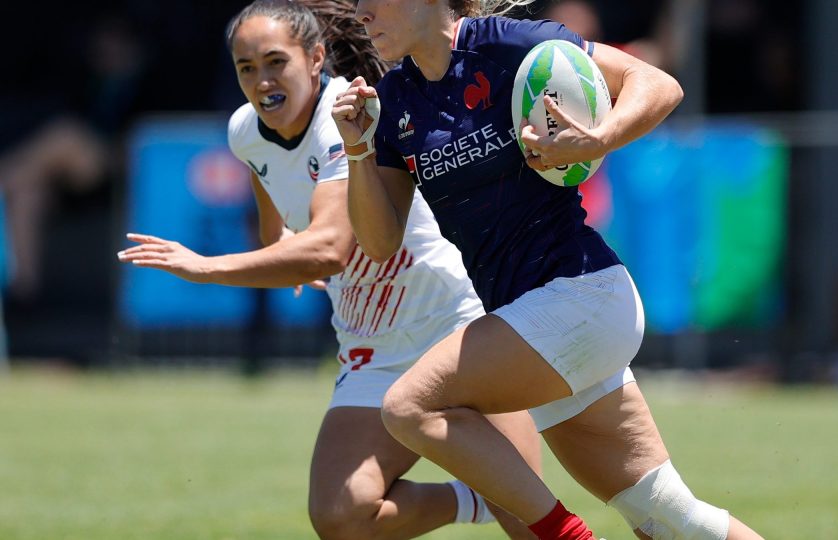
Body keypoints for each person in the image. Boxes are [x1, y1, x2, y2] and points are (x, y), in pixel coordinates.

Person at [332, 0, 765, 538]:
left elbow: (656, 83)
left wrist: (600, 138)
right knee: (667, 518)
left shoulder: (507, 44)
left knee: (408, 407)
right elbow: (378, 242)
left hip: (579, 296)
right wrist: (356, 150)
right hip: (538, 323)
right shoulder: (396, 97)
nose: (359, 13)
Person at [117, 1, 539, 538]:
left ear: (316, 58)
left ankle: (508, 499)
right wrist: (281, 249)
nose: (262, 80)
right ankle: (477, 500)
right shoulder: (246, 130)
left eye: (275, 62)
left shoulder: (346, 112)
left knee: (530, 520)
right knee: (342, 515)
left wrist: (206, 267)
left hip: (454, 324)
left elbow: (332, 248)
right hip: (373, 347)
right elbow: (271, 194)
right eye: (247, 68)